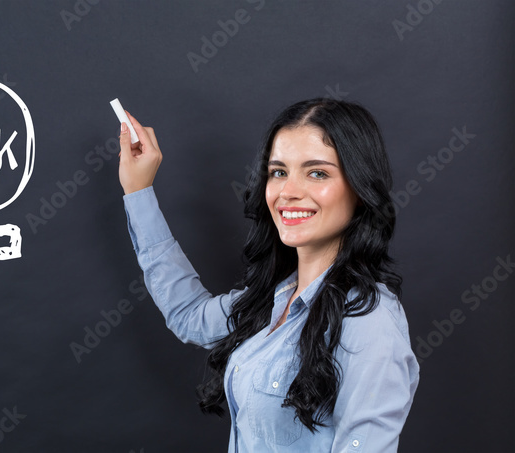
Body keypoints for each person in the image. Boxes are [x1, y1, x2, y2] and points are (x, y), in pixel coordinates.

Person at [117, 98, 419, 452]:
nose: (288, 192)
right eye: (279, 172)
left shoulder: (369, 321)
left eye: (317, 172)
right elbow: (189, 316)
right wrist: (139, 191)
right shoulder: (275, 299)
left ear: (359, 188)